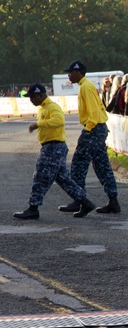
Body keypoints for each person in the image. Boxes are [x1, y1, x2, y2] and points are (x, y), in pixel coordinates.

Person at [13, 83, 96, 220]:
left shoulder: (52, 107)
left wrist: (38, 124)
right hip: (52, 147)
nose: (31, 100)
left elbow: (59, 120)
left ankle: (33, 208)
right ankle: (85, 202)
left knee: (40, 177)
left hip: (53, 148)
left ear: (41, 95)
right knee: (64, 179)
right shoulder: (43, 108)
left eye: (33, 97)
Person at [60, 60, 120, 215]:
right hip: (99, 128)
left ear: (78, 73)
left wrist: (87, 129)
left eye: (71, 72)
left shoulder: (85, 87)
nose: (69, 75)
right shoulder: (87, 85)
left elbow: (93, 111)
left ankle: (79, 200)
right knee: (102, 165)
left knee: (78, 164)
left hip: (93, 128)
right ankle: (113, 201)